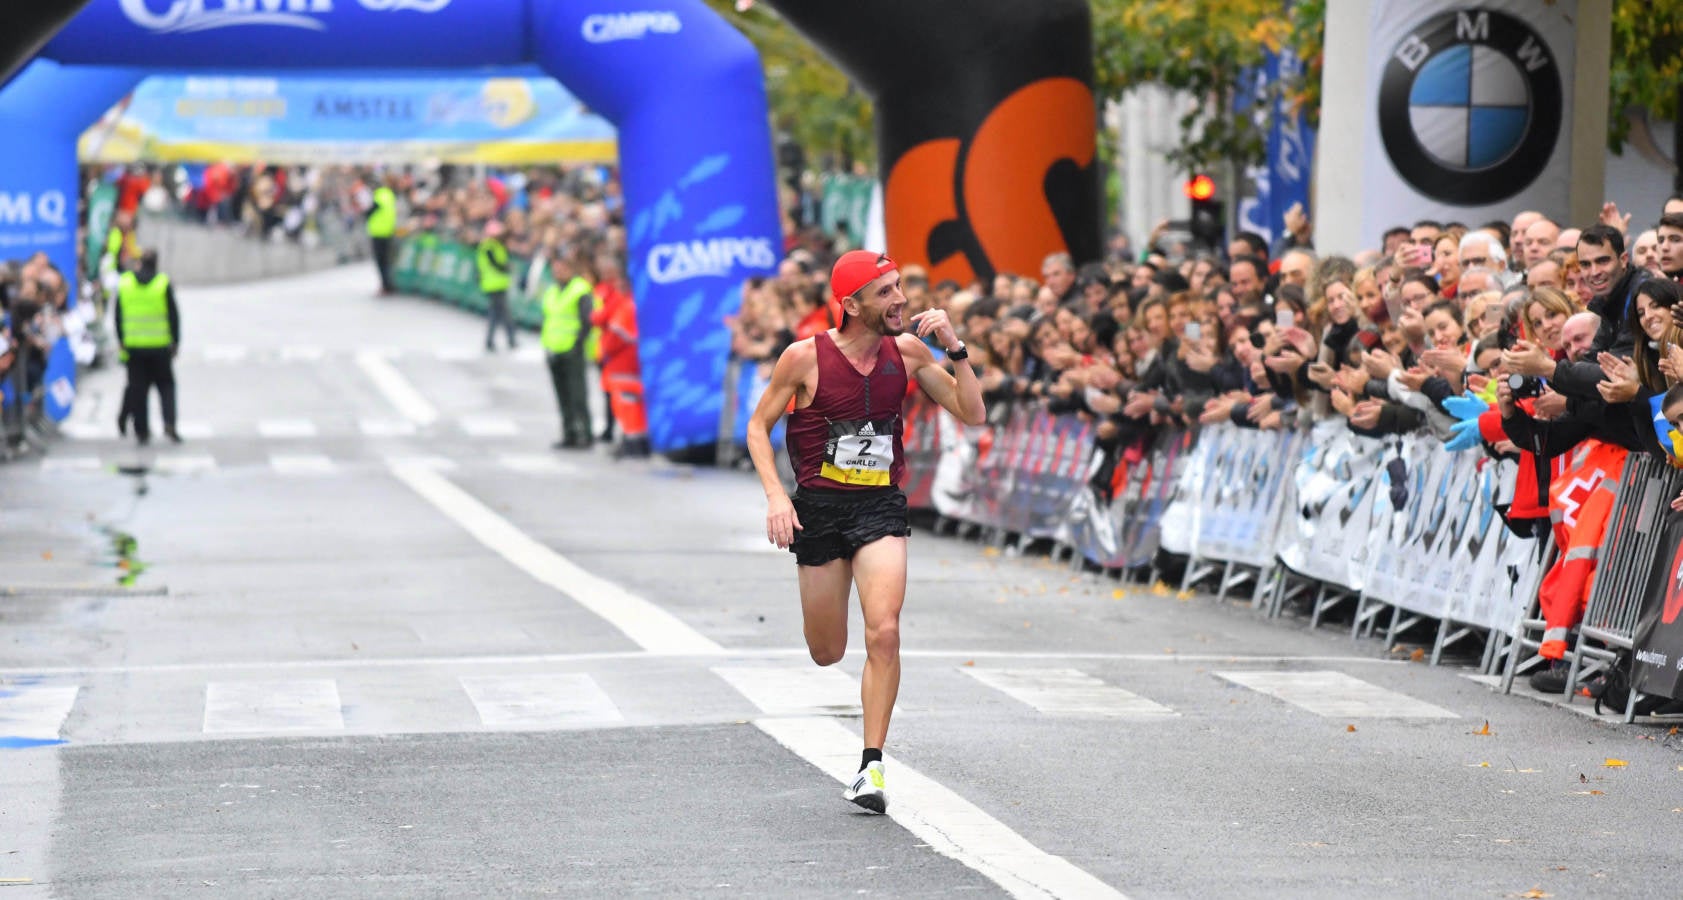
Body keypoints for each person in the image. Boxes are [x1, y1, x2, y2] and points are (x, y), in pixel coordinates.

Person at [745, 249, 986, 814]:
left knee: (885, 632)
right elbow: (759, 428)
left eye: (899, 287)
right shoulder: (803, 359)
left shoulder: (907, 351)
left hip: (879, 504)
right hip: (820, 510)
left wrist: (957, 349)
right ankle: (858, 727)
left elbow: (970, 411)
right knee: (827, 650)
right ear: (851, 305)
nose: (901, 299)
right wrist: (778, 497)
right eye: (886, 292)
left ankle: (871, 766)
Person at [113, 249, 181, 446]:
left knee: (138, 389)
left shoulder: (125, 283)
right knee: (166, 387)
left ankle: (141, 430)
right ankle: (169, 423)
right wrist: (175, 341)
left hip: (133, 347)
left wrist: (121, 339)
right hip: (160, 346)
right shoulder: (162, 283)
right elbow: (173, 315)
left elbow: (117, 315)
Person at [540, 252, 595, 449]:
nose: (558, 272)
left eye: (562, 268)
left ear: (570, 269)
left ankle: (584, 434)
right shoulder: (552, 291)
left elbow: (587, 321)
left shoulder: (580, 290)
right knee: (562, 396)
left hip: (573, 351)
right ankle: (568, 433)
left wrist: (577, 344)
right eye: (555, 268)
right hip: (554, 349)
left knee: (577, 395)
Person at [477, 219, 516, 352]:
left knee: (497, 314)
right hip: (493, 284)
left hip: (498, 284)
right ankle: (510, 339)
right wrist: (507, 267)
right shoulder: (489, 246)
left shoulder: (498, 245)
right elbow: (497, 264)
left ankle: (492, 340)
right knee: (502, 314)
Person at [365, 174, 398, 296]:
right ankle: (389, 284)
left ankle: (385, 285)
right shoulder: (390, 195)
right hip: (388, 232)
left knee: (381, 262)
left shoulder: (378, 196)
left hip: (378, 233)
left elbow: (369, 212)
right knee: (387, 261)